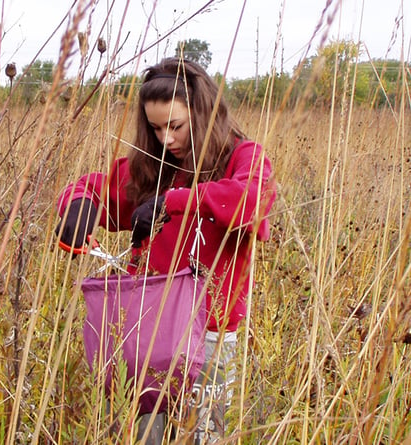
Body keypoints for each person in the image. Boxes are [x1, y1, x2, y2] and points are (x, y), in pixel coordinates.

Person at [55, 58, 275, 444]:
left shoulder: (243, 157)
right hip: (146, 332)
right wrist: (78, 207)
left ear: (202, 114)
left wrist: (174, 201)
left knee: (203, 435)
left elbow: (252, 201)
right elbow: (88, 188)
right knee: (144, 437)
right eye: (155, 128)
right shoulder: (151, 166)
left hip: (210, 336)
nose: (165, 140)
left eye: (175, 126)